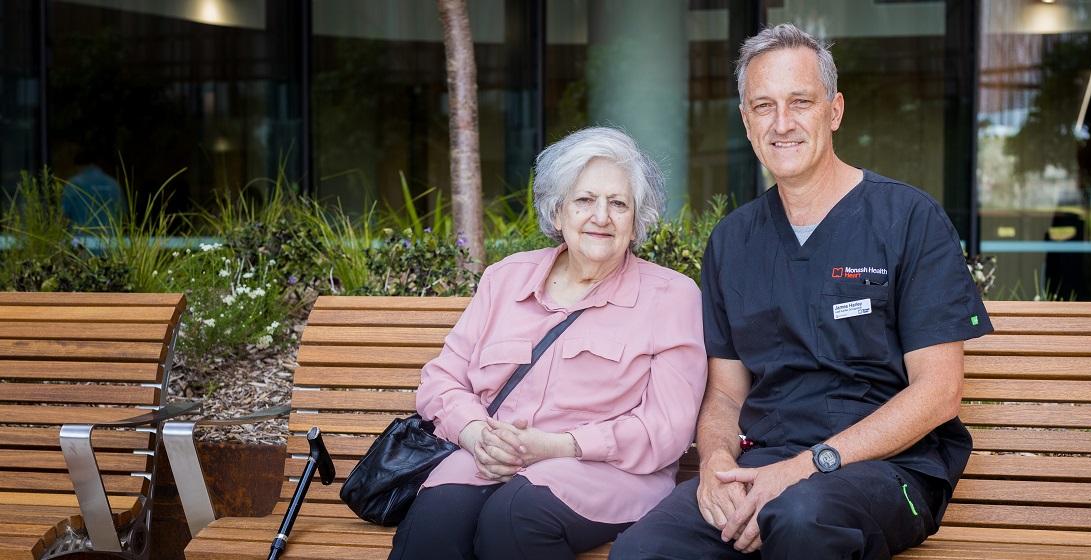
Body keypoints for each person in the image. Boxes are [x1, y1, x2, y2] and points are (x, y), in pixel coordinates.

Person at [611, 24, 993, 559]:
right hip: (766, 465)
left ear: (834, 111)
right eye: (763, 106)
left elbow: (939, 391)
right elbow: (725, 392)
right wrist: (719, 464)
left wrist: (806, 468)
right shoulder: (734, 241)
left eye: (800, 102)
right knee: (646, 550)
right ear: (745, 121)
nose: (782, 123)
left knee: (802, 519)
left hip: (890, 471)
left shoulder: (908, 219)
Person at [389, 127, 707, 560]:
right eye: (584, 200)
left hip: (608, 471)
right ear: (557, 214)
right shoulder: (505, 279)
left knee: (515, 518)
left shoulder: (671, 296)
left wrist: (560, 446)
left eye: (618, 204)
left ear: (636, 223)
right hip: (494, 456)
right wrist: (476, 433)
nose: (601, 216)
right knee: (434, 520)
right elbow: (442, 380)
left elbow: (665, 428)